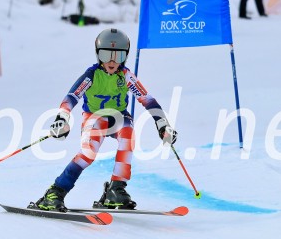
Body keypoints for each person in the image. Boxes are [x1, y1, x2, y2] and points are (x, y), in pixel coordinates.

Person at [34, 28, 178, 211]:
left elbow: (148, 100)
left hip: (119, 116)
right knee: (88, 153)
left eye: (117, 56)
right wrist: (62, 118)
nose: (111, 61)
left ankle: (116, 189)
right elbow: (71, 97)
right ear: (98, 55)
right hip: (95, 117)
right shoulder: (92, 75)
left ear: (124, 57)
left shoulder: (126, 76)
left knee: (128, 136)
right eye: (106, 54)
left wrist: (162, 124)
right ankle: (56, 191)